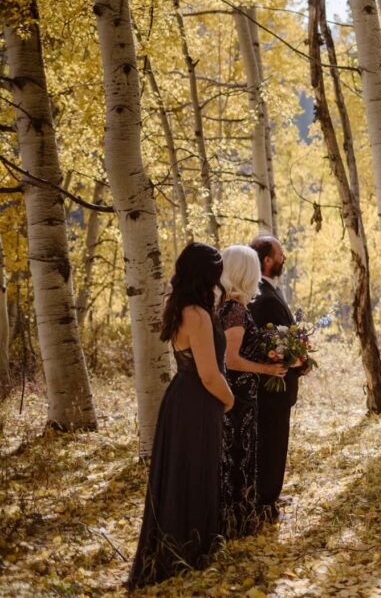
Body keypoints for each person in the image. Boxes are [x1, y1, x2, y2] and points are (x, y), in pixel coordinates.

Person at [128, 243, 235, 589]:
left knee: (180, 473)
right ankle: (189, 552)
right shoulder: (197, 315)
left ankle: (184, 549)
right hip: (196, 400)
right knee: (193, 471)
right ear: (207, 274)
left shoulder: (183, 307)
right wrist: (229, 399)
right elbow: (208, 374)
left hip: (182, 399)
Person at [217, 245, 287, 537]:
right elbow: (231, 360)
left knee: (240, 457)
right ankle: (239, 521)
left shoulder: (229, 307)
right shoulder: (234, 310)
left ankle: (241, 517)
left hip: (242, 396)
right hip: (238, 397)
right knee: (239, 457)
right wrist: (268, 369)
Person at [248, 235, 305, 521]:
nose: (284, 258)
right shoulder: (262, 297)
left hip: (280, 382)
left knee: (275, 444)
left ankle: (272, 493)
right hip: (273, 387)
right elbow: (269, 345)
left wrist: (301, 358)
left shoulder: (270, 291)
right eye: (280, 254)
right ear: (268, 260)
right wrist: (296, 361)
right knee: (271, 444)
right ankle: (266, 504)